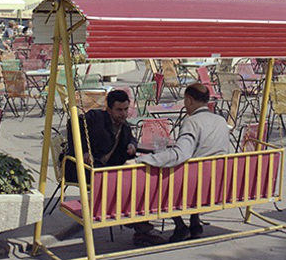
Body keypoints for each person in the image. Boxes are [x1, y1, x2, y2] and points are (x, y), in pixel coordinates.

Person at [65, 89, 162, 247]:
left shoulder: (124, 127)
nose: (123, 114)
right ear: (108, 109)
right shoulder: (95, 118)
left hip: (107, 171)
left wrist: (132, 145)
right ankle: (140, 228)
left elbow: (131, 139)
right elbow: (72, 124)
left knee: (138, 181)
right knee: (122, 186)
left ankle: (139, 226)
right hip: (84, 169)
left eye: (125, 109)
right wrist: (82, 152)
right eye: (118, 110)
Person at [136, 83, 231, 243]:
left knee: (165, 179)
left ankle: (180, 226)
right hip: (217, 182)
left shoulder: (192, 122)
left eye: (185, 101)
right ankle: (195, 222)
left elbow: (180, 154)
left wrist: (143, 160)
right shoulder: (221, 121)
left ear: (190, 100)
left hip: (193, 186)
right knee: (194, 173)